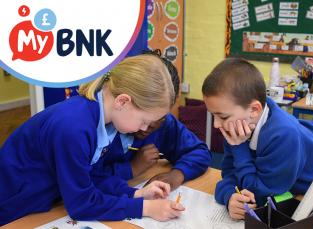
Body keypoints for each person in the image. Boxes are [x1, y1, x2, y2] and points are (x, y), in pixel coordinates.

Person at [0, 55, 185, 226]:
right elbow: (81, 204)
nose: (145, 129)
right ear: (122, 102)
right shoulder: (74, 128)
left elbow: (92, 177)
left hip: (41, 200)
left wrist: (137, 194)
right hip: (12, 207)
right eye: (144, 121)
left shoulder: (106, 123)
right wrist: (145, 208)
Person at [201, 58, 313, 220]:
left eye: (222, 116)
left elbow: (262, 196)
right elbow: (230, 175)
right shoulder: (235, 125)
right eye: (213, 116)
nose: (217, 125)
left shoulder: (283, 135)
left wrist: (240, 148)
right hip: (295, 182)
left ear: (254, 110)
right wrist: (230, 197)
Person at [91, 49, 211, 190]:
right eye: (144, 118)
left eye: (159, 117)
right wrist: (131, 168)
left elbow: (199, 151)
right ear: (126, 100)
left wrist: (178, 174)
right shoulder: (101, 121)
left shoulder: (165, 123)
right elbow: (84, 177)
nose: (148, 126)